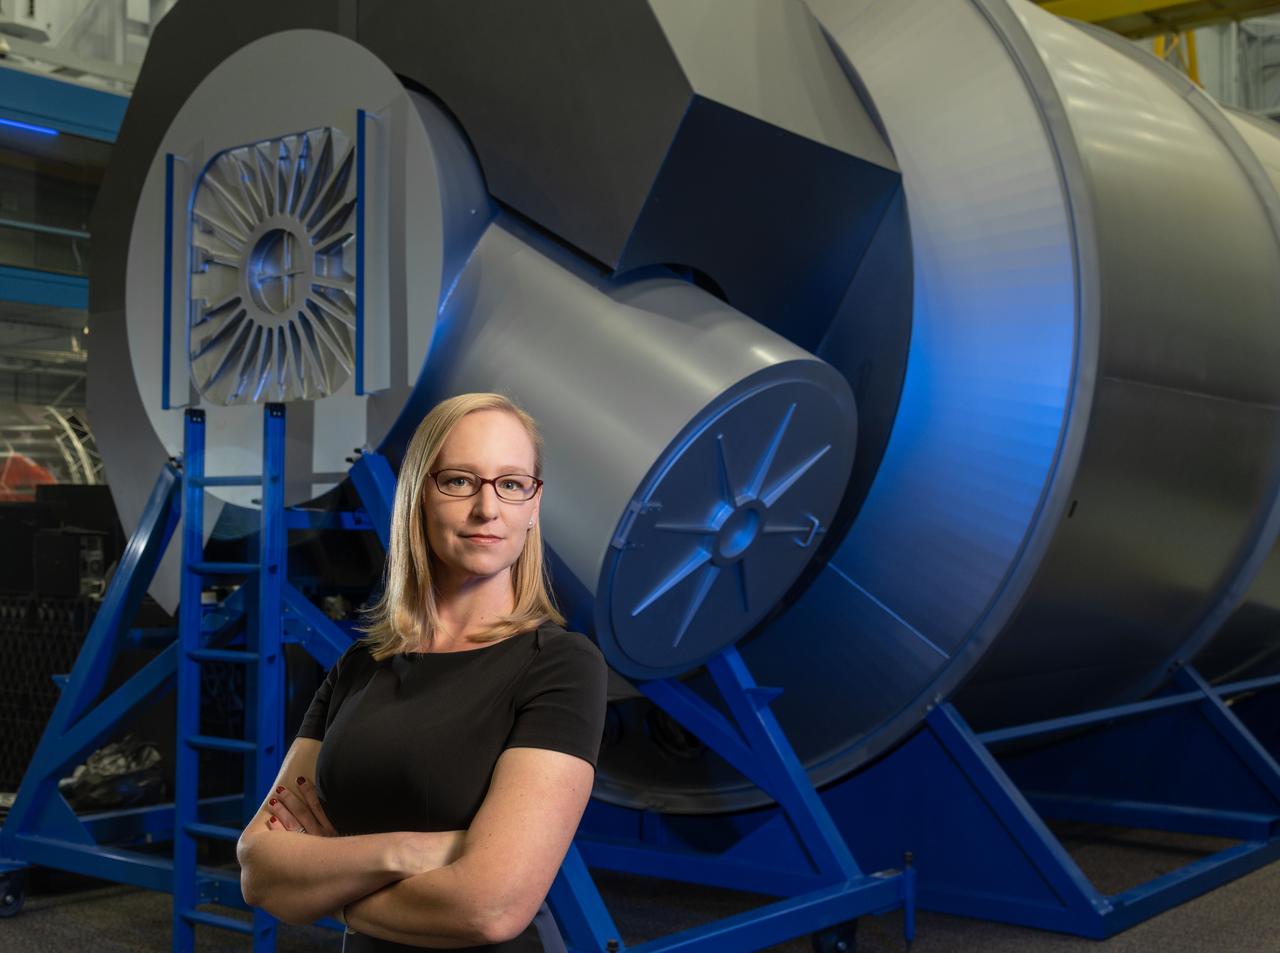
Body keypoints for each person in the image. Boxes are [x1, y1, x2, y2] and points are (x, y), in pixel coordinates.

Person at [236, 392, 609, 952]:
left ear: (533, 506)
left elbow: (490, 908)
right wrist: (407, 852)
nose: (488, 509)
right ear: (419, 496)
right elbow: (260, 870)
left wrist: (321, 885)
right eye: (459, 480)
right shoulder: (361, 666)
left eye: (511, 484)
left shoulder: (561, 666)